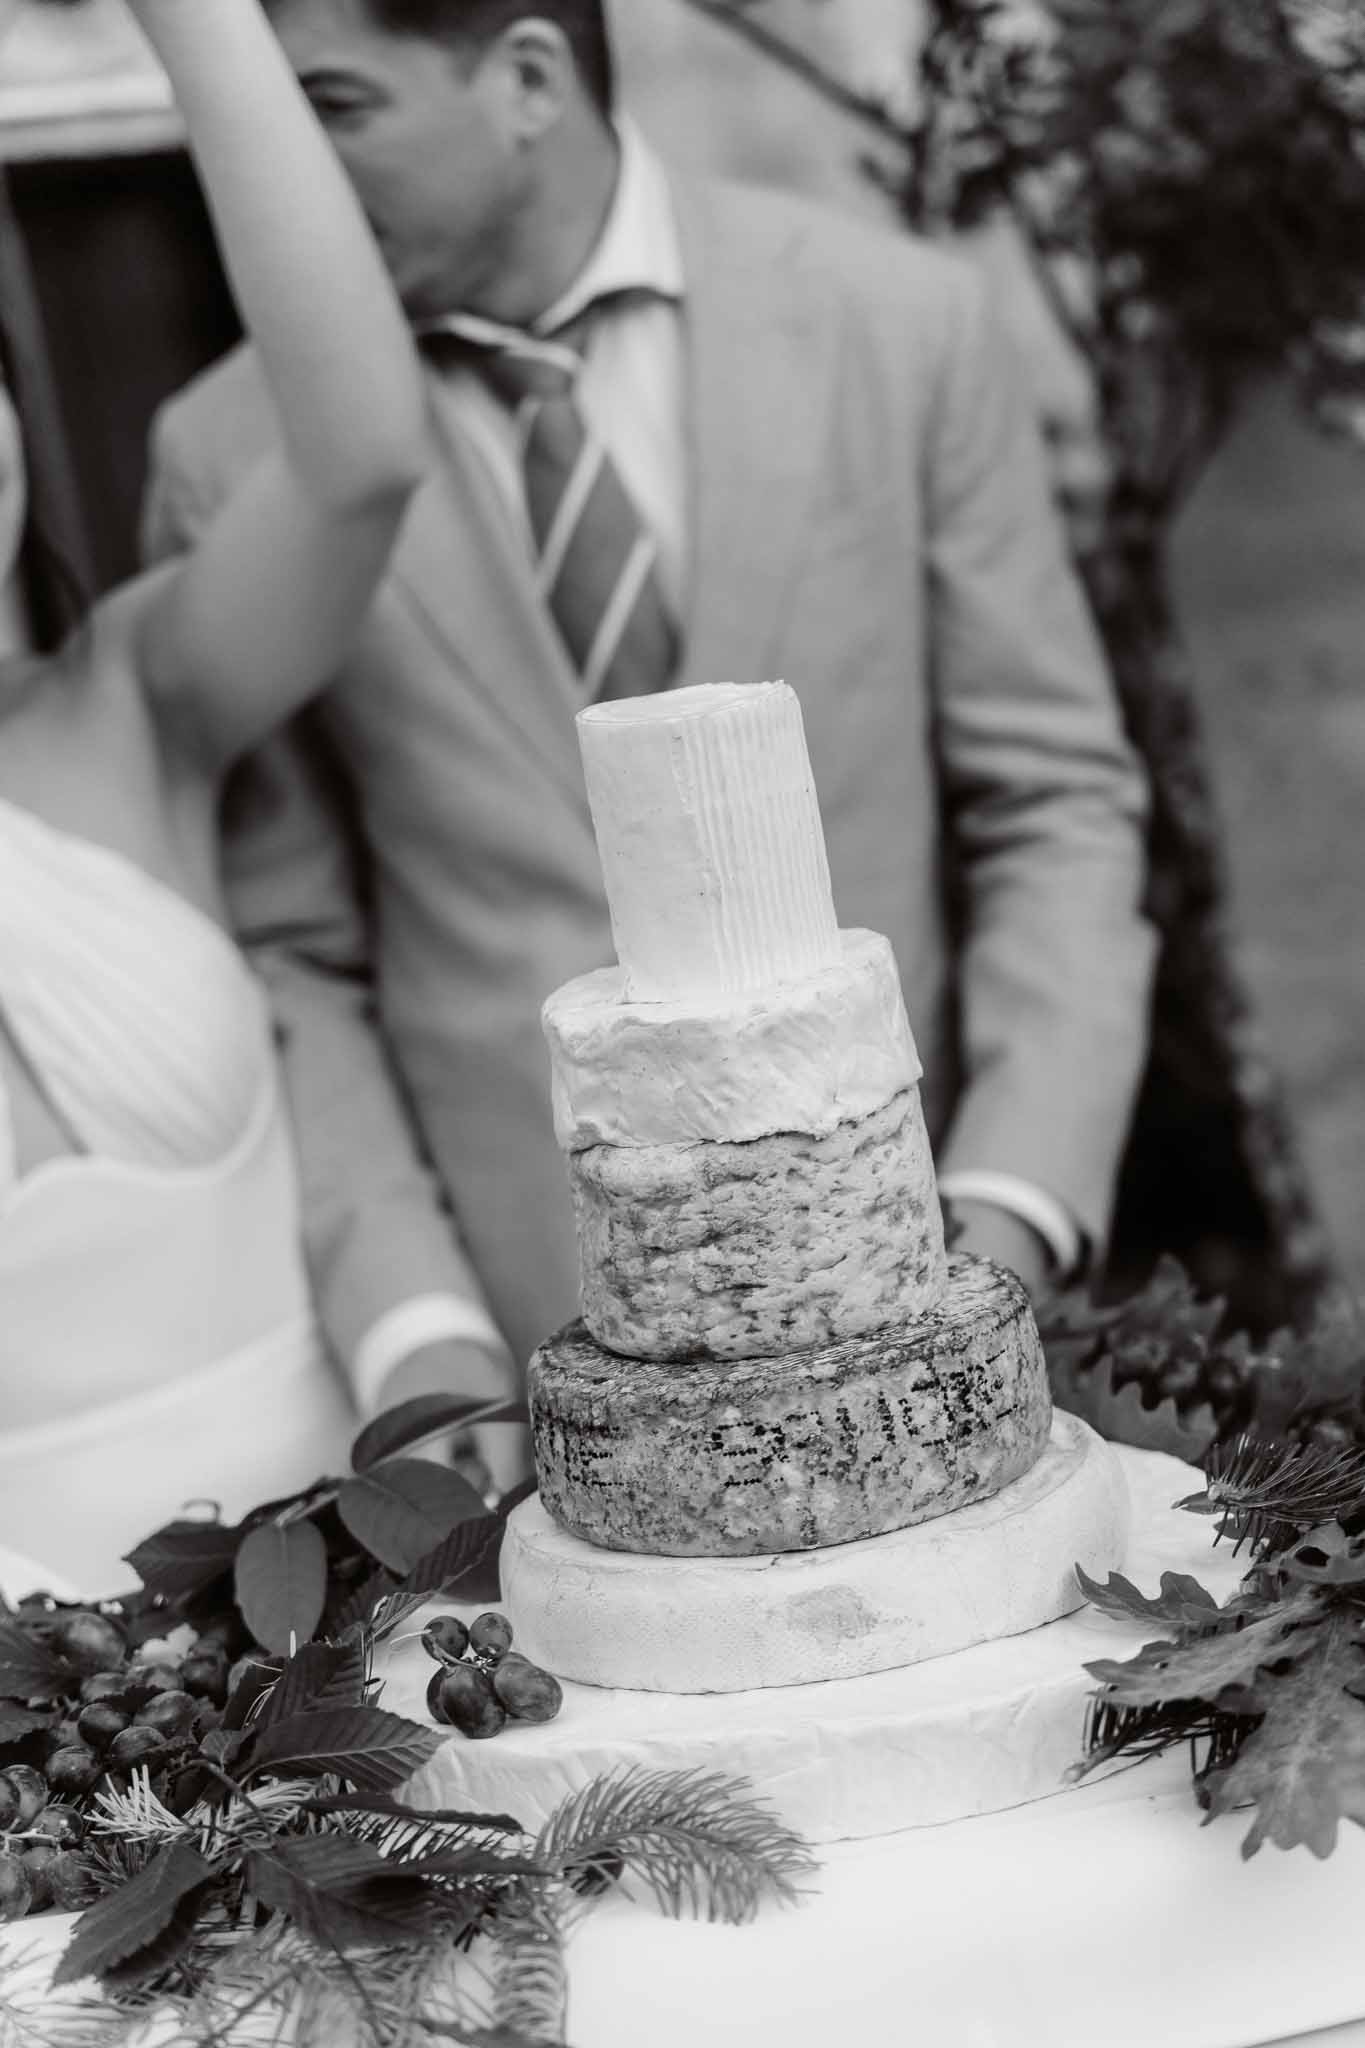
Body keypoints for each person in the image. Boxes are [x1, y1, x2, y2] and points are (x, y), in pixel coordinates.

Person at [145, 0, 1157, 1478]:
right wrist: (418, 1345)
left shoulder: (899, 322)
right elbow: (293, 946)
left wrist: (999, 1222)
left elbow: (1052, 801)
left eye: (332, 107)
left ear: (528, 79)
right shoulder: (229, 456)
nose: (266, 169)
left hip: (930, 1301)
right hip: (526, 1379)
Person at [0, 0, 431, 1589]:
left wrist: (194, 18)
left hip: (355, 1626)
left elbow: (362, 457)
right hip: (45, 1793)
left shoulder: (134, 700)